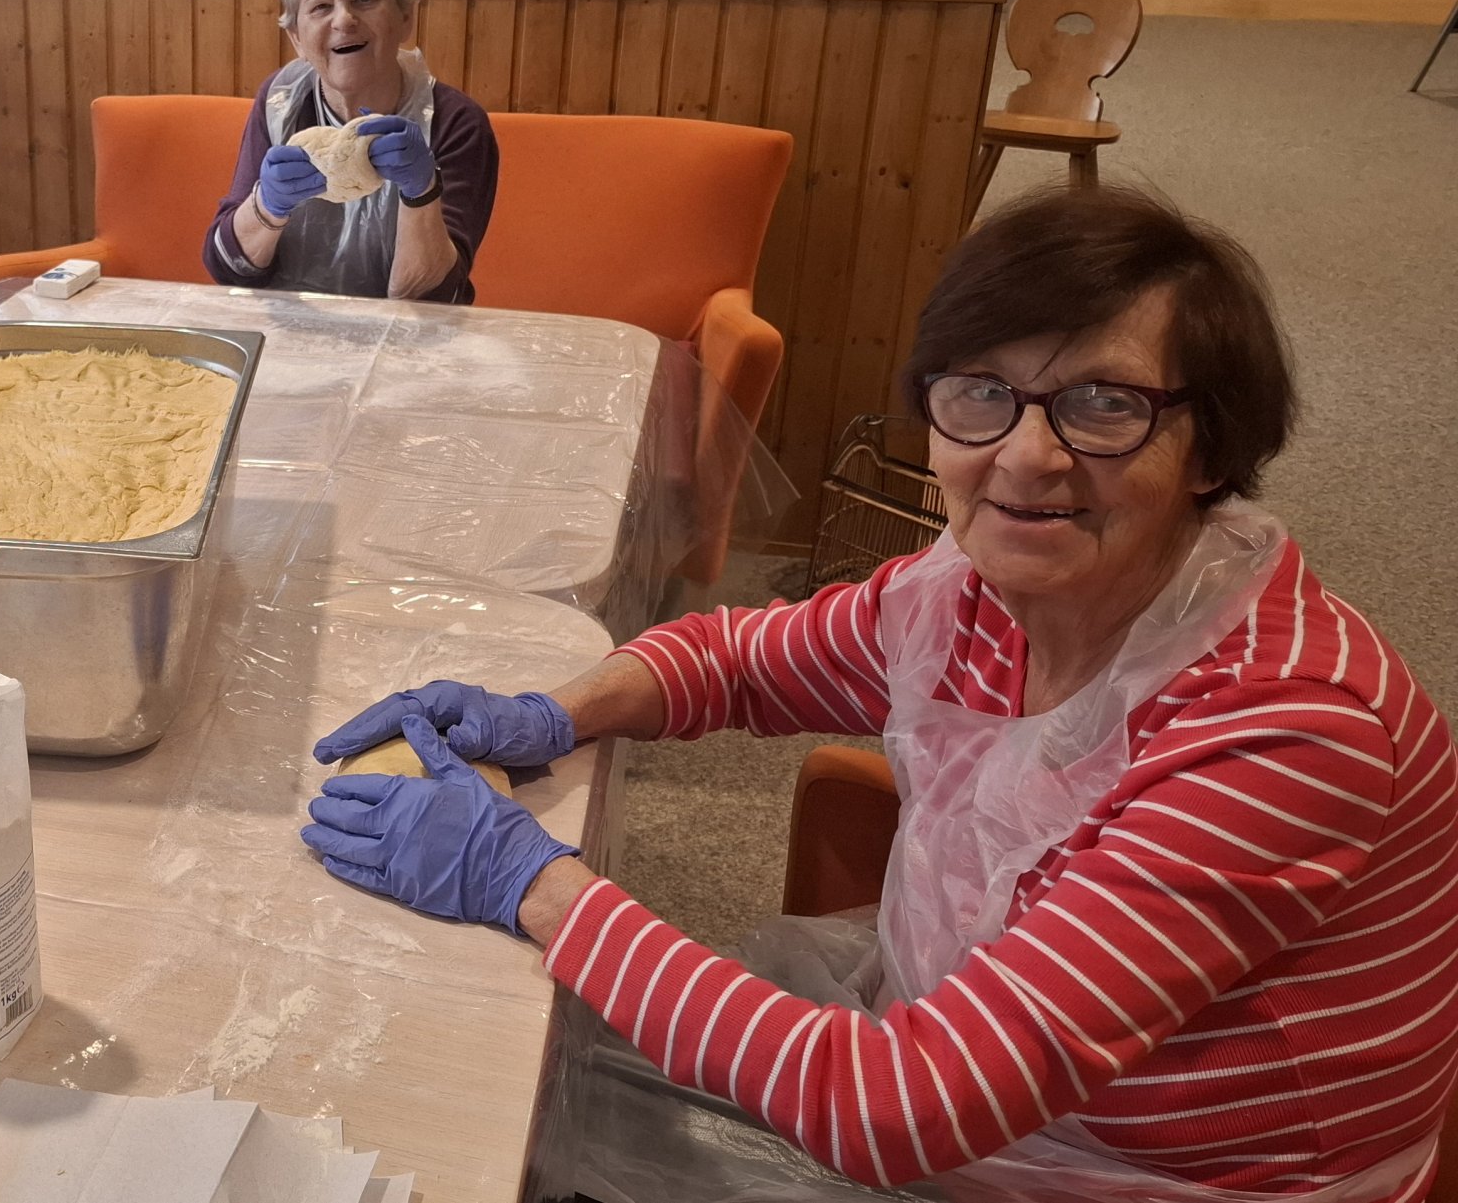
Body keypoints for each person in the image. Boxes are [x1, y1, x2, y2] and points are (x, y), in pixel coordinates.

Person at [302, 187, 1457, 1198]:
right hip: (1012, 1093)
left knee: (496, 1109)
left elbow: (899, 1106)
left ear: (1209, 448)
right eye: (982, 393)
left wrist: (533, 884)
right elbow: (740, 659)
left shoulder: (1286, 733)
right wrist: (554, 710)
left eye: (1105, 404)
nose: (1027, 456)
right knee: (523, 1070)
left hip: (1159, 1176)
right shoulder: (975, 592)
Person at [203, 0, 498, 303]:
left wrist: (422, 191)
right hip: (289, 332)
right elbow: (226, 268)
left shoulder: (455, 123)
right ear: (296, 37)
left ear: (405, 16)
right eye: (321, 7)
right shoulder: (280, 103)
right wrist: (267, 206)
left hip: (408, 338)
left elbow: (433, 300)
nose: (344, 20)